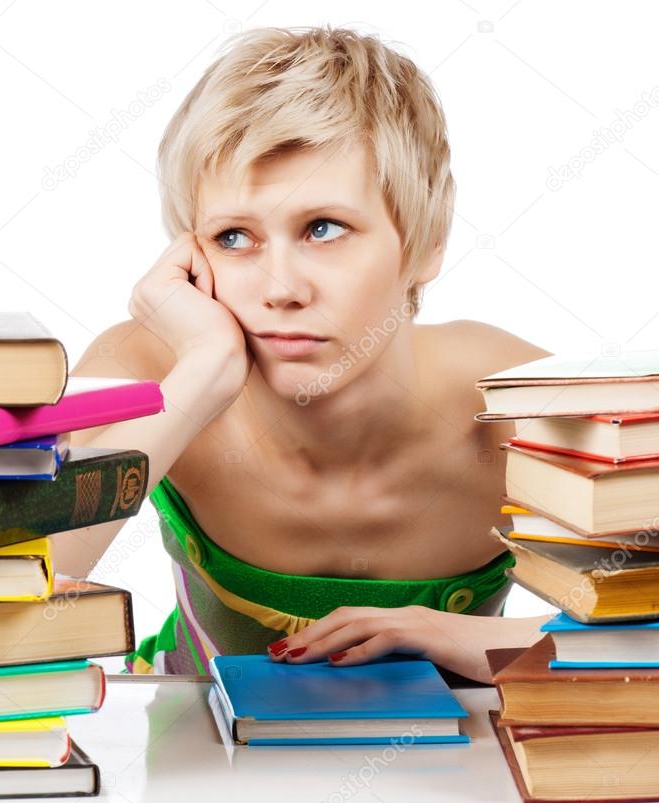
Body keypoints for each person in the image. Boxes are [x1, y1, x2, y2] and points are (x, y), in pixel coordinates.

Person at [53, 25, 552, 682]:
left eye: (323, 229)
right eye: (234, 237)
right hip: (191, 763)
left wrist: (457, 635)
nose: (280, 289)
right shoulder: (152, 371)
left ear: (425, 241)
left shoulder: (519, 401)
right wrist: (200, 376)